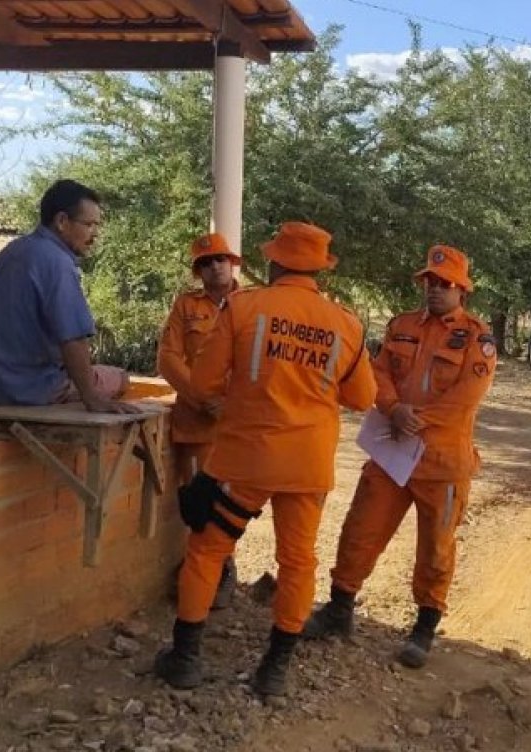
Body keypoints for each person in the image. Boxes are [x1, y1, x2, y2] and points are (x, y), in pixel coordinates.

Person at [153, 221, 377, 696]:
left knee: (208, 549)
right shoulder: (348, 324)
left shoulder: (245, 307)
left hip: (243, 462)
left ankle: (186, 659)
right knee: (298, 562)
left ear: (275, 262)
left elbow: (206, 383)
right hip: (306, 466)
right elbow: (362, 398)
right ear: (320, 267)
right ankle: (274, 670)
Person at [302, 245, 497, 669]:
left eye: (444, 283)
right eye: (429, 281)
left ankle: (424, 627)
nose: (434, 289)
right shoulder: (402, 326)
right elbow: (379, 371)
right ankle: (339, 609)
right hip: (392, 454)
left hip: (442, 462)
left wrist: (418, 419)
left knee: (435, 547)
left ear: (462, 289)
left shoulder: (478, 338)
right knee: (360, 529)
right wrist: (393, 408)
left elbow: (467, 395)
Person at [0, 179, 138, 414]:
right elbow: (73, 338)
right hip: (27, 389)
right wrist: (92, 398)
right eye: (89, 225)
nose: (94, 235)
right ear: (62, 221)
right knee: (120, 379)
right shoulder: (57, 261)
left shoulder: (13, 249)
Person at [157, 233, 244, 611]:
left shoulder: (254, 305)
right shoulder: (185, 307)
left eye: (220, 260)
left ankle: (224, 570)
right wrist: (201, 398)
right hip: (195, 424)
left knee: (230, 503)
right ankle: (202, 571)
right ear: (199, 271)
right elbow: (169, 358)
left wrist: (229, 402)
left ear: (232, 262)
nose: (214, 267)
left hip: (237, 426)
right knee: (196, 502)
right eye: (206, 263)